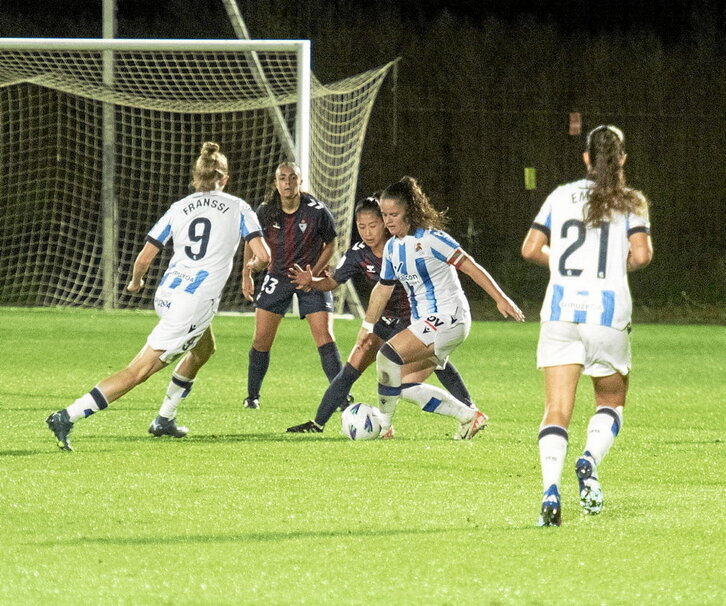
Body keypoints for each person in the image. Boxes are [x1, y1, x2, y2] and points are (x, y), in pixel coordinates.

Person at [46, 142, 270, 451]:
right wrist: (254, 264)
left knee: (204, 350)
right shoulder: (238, 207)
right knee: (137, 371)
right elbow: (264, 255)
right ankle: (66, 416)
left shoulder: (179, 207)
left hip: (168, 293)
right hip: (193, 303)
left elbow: (144, 257)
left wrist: (136, 283)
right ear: (225, 178)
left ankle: (165, 419)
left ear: (196, 178)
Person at [521, 125, 653, 526]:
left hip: (561, 310)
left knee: (556, 409)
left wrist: (561, 266)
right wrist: (616, 266)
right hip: (607, 314)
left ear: (585, 158)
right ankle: (589, 460)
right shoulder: (632, 201)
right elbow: (642, 256)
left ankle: (550, 491)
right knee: (610, 402)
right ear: (623, 160)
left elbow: (529, 248)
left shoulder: (560, 196)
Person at [285, 196, 476, 434]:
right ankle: (317, 424)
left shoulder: (400, 246)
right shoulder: (358, 253)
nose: (367, 232)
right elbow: (333, 281)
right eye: (361, 227)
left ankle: (469, 411)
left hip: (413, 320)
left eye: (372, 225)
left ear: (385, 223)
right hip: (384, 321)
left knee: (437, 364)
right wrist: (312, 282)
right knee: (353, 365)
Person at [354, 177, 525, 440]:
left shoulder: (432, 239)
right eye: (385, 214)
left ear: (409, 212)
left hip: (449, 318)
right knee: (401, 384)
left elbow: (469, 265)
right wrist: (367, 326)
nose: (388, 221)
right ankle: (468, 416)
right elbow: (383, 288)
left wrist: (500, 298)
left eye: (394, 214)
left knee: (387, 356)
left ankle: (384, 425)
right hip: (426, 324)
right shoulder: (392, 248)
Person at [240, 161, 343, 409]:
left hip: (309, 279)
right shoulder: (265, 211)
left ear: (300, 181)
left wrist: (313, 274)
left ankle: (340, 397)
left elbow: (331, 243)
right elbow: (250, 241)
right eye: (283, 178)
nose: (288, 183)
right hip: (277, 277)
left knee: (325, 336)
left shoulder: (316, 210)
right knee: (261, 340)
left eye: (293, 178)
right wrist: (247, 273)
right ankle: (252, 397)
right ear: (276, 183)